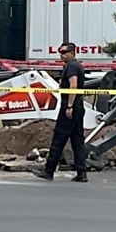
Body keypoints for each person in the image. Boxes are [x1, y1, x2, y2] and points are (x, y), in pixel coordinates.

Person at [38, 42, 89, 183]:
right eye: (60, 52)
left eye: (65, 52)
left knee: (59, 138)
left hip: (71, 106)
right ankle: (81, 173)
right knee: (77, 140)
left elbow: (73, 85)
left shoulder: (72, 66)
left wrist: (69, 106)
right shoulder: (76, 65)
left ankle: (49, 170)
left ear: (73, 53)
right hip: (78, 107)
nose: (62, 55)